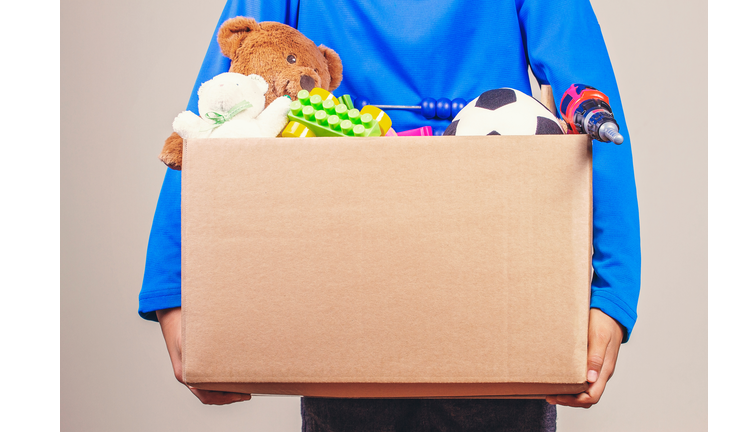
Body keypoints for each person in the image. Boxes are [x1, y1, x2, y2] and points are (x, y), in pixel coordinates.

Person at [140, 0, 640, 430]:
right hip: (347, 265)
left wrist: (611, 294)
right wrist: (171, 285)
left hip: (489, 266)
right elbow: (220, 104)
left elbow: (594, 105)